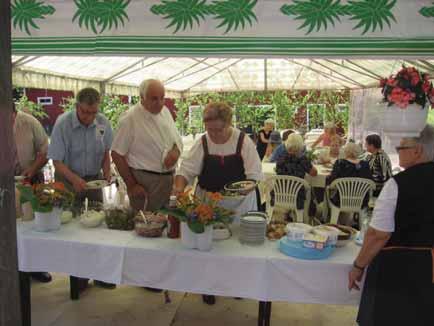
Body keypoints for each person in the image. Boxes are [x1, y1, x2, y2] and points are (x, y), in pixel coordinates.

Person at [174, 102, 263, 305]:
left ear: (229, 123)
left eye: (218, 129)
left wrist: (235, 193)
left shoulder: (243, 141)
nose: (213, 134)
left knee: (238, 249)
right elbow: (186, 169)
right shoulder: (203, 142)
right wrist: (179, 187)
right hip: (207, 203)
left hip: (239, 204)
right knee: (208, 247)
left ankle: (237, 285)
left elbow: (254, 176)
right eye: (209, 129)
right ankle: (208, 286)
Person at [349, 125, 434, 326]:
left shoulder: (397, 184)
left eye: (401, 148)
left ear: (417, 150)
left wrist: (358, 266)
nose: (398, 152)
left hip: (397, 271)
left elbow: (378, 234)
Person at [48, 87, 114, 289]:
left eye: (93, 112)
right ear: (77, 106)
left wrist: (107, 171)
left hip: (94, 179)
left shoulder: (102, 122)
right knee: (73, 230)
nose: (89, 117)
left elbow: (105, 152)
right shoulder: (63, 124)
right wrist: (74, 179)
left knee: (97, 227)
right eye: (85, 112)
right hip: (68, 179)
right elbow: (56, 160)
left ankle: (101, 274)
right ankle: (78, 278)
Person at [111, 79, 183, 213]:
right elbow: (116, 154)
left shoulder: (165, 112)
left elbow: (177, 140)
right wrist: (131, 185)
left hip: (168, 181)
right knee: (146, 226)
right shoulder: (130, 119)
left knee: (167, 225)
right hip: (145, 183)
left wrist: (175, 151)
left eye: (162, 98)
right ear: (142, 98)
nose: (160, 103)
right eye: (154, 99)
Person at [13, 103, 52, 283]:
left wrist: (33, 168)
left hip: (31, 178)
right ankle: (10, 269)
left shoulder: (29, 122)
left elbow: (46, 150)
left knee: (35, 225)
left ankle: (37, 267)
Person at [276, 133, 317, 210]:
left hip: (280, 194)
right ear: (300, 145)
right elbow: (314, 173)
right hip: (297, 196)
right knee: (310, 190)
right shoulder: (302, 159)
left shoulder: (280, 158)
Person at [327, 142, 373, 211]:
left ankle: (326, 215)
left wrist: (328, 178)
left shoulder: (340, 163)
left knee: (327, 189)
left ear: (346, 152)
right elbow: (370, 181)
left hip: (341, 200)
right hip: (361, 202)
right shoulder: (365, 165)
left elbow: (331, 181)